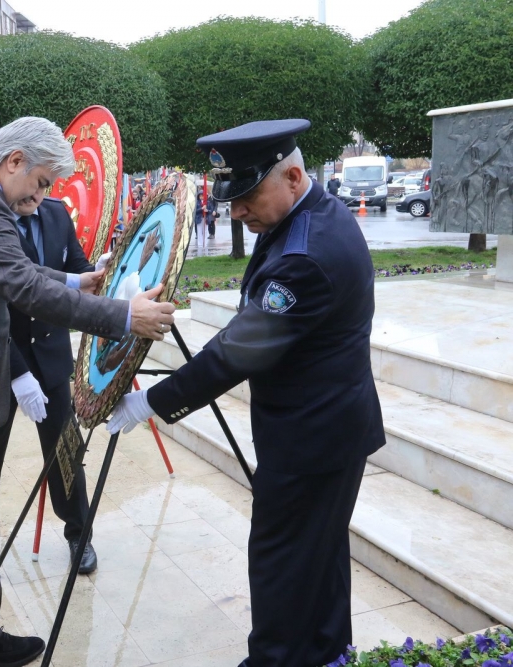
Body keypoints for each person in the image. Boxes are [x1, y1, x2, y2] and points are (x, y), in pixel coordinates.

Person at [0, 116, 176, 667]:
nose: (42, 196)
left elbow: (7, 267)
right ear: (14, 161)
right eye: (42, 182)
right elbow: (18, 286)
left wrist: (73, 280)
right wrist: (121, 314)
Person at [108, 119, 385, 667]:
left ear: (293, 175)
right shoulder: (307, 217)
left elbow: (238, 352)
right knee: (318, 560)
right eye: (230, 198)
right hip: (326, 430)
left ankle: (277, 659)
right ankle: (326, 655)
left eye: (247, 196)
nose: (235, 211)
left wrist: (149, 404)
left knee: (281, 563)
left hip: (312, 441)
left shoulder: (306, 256)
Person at [0, 195, 114, 576]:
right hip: (0, 358)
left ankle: (79, 532)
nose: (39, 193)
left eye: (47, 183)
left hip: (49, 354)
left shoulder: (56, 212)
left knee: (66, 451)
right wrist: (16, 372)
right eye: (37, 181)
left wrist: (98, 270)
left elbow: (73, 267)